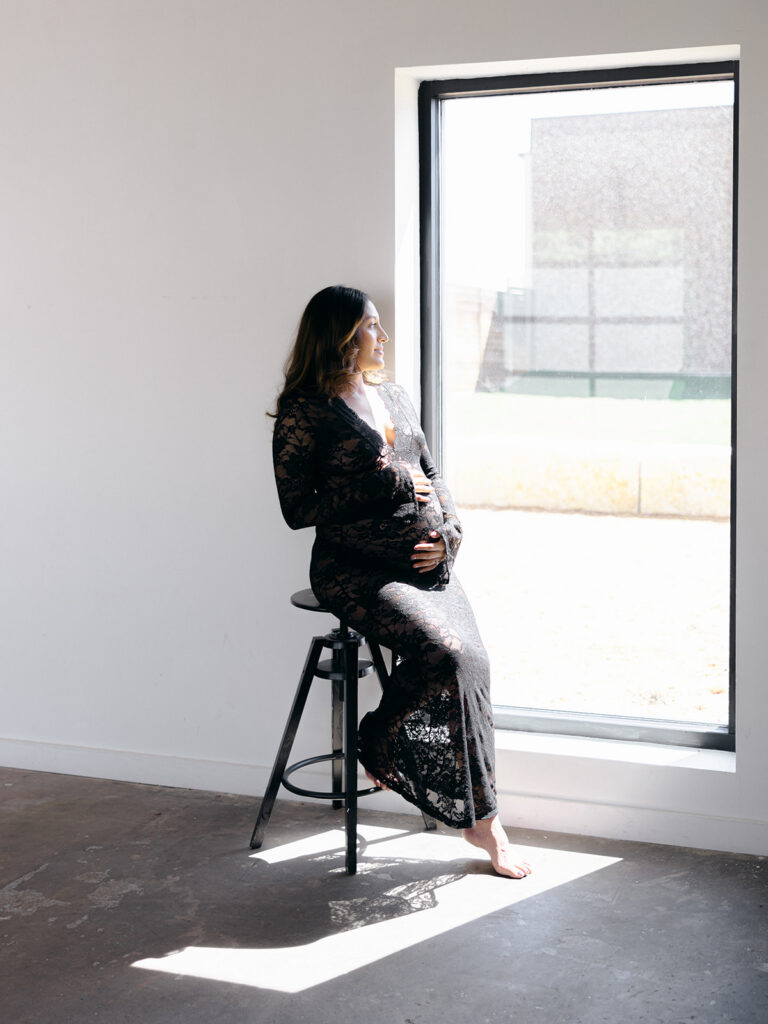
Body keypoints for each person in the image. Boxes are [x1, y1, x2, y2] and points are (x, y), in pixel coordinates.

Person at [270, 285, 531, 879]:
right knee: (447, 653)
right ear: (341, 336)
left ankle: (435, 784)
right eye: (371, 327)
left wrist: (450, 536)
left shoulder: (392, 396)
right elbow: (297, 508)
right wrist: (383, 484)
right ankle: (475, 815)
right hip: (352, 570)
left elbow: (433, 474)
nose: (381, 338)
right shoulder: (303, 411)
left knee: (473, 663)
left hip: (426, 565)